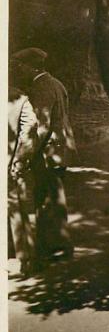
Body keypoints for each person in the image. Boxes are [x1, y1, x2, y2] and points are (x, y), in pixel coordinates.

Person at [10, 48, 76, 260]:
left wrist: (26, 154)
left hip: (49, 151)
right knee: (55, 197)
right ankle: (60, 244)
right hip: (60, 148)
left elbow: (41, 127)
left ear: (32, 67)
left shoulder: (41, 87)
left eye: (21, 67)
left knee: (46, 198)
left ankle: (50, 248)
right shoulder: (56, 83)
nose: (19, 71)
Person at [8, 86, 39, 273]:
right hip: (12, 163)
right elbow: (30, 130)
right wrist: (19, 160)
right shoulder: (20, 98)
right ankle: (25, 259)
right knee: (21, 207)